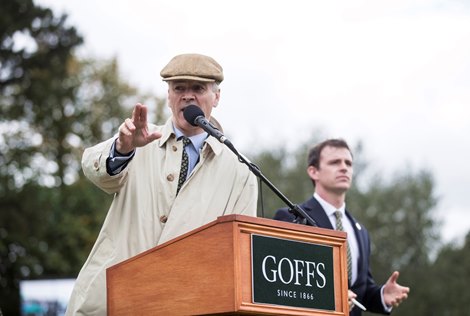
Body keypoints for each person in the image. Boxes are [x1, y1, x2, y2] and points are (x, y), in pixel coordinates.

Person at [66, 53, 258, 315]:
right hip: (111, 300)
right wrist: (121, 149)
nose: (188, 96)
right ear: (169, 96)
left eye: (198, 88)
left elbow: (239, 254)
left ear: (216, 97)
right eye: (179, 88)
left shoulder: (241, 169)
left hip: (185, 305)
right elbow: (92, 167)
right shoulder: (139, 139)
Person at [273, 138, 409, 316]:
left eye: (348, 163)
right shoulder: (291, 217)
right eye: (335, 162)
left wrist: (382, 295)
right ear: (314, 172)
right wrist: (329, 297)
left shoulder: (361, 232)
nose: (344, 167)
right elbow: (282, 283)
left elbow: (363, 291)